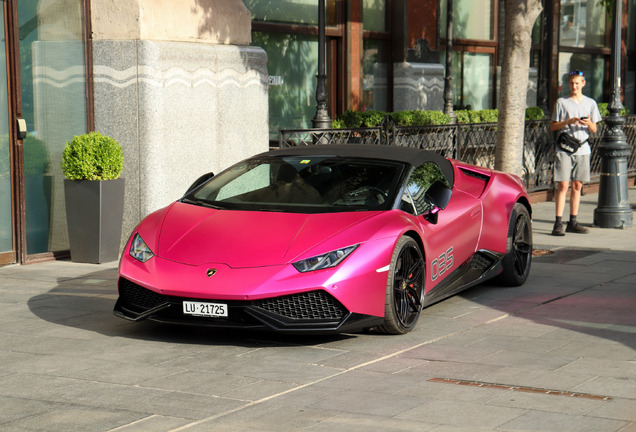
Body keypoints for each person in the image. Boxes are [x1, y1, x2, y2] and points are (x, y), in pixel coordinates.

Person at [550, 70, 602, 236]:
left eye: (577, 83)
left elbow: (594, 129)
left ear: (583, 83)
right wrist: (568, 121)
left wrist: (588, 123)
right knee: (563, 185)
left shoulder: (591, 103)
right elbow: (553, 126)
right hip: (564, 148)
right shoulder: (561, 102)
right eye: (572, 83)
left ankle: (573, 221)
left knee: (578, 185)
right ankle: (558, 223)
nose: (574, 86)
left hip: (583, 148)